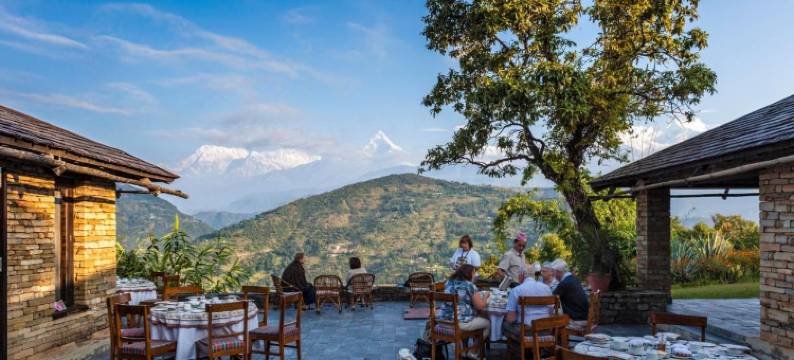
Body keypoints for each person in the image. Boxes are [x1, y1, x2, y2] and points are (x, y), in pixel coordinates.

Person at [441, 264, 490, 359]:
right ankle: (473, 351)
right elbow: (480, 306)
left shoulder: (448, 282)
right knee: (487, 323)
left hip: (444, 321)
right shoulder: (469, 285)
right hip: (459, 323)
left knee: (467, 318)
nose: (475, 275)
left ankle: (464, 350)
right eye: (474, 273)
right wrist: (486, 296)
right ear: (470, 273)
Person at [501, 269, 554, 342]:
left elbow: (511, 319)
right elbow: (551, 311)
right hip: (545, 329)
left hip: (526, 331)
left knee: (504, 324)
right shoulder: (546, 288)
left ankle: (516, 350)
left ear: (522, 275)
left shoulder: (516, 290)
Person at [550, 259, 589, 323]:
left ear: (558, 272)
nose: (552, 275)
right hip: (583, 316)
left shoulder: (564, 283)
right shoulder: (574, 278)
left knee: (552, 317)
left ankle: (554, 332)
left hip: (577, 319)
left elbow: (551, 299)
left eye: (553, 272)